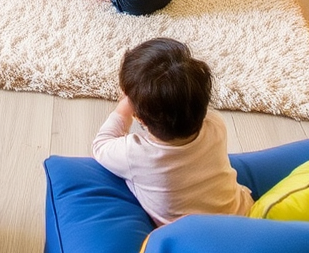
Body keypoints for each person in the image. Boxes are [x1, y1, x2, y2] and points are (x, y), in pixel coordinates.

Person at [93, 38, 253, 225]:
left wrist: (123, 110)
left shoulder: (135, 154)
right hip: (243, 218)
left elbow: (101, 144)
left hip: (192, 241)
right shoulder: (216, 125)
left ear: (140, 118)